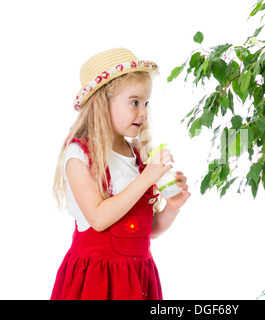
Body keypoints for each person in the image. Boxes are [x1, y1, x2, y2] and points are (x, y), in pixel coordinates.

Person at [50, 48, 191, 300]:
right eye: (134, 102)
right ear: (101, 104)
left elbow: (148, 230)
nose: (144, 112)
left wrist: (172, 206)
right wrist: (147, 177)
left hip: (138, 279)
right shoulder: (79, 156)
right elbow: (99, 218)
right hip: (97, 281)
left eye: (146, 103)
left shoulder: (135, 153)